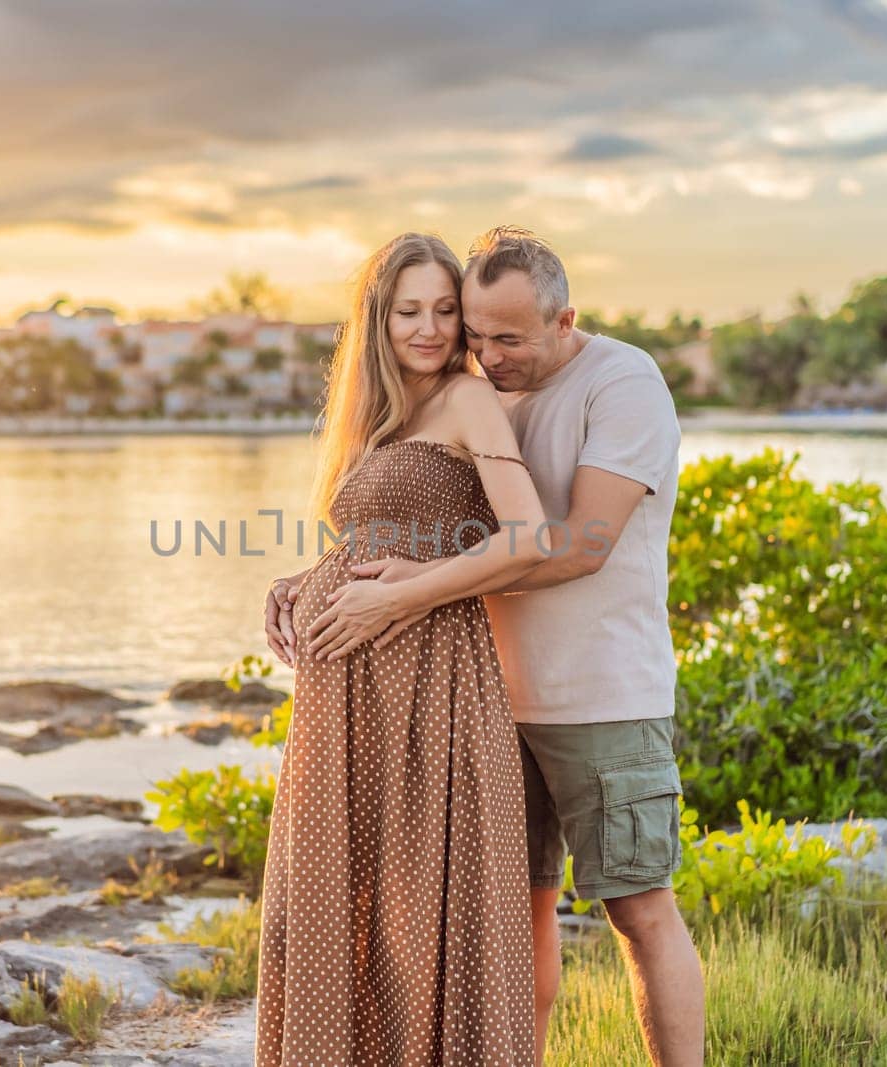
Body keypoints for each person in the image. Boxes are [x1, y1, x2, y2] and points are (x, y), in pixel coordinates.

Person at [282, 227, 706, 1066]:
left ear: (563, 319)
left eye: (505, 336)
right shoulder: (476, 390)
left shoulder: (620, 380)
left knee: (638, 906)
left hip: (598, 694)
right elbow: (421, 526)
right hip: (481, 700)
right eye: (474, 331)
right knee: (514, 913)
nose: (484, 351)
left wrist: (404, 593)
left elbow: (577, 544)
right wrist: (318, 579)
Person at [255, 231, 548, 1066]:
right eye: (407, 310)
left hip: (434, 688)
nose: (428, 327)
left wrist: (398, 592)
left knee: (420, 909)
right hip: (344, 698)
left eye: (444, 310)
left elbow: (528, 539)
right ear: (378, 322)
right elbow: (382, 537)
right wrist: (304, 581)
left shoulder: (468, 398)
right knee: (336, 905)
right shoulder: (377, 416)